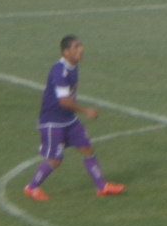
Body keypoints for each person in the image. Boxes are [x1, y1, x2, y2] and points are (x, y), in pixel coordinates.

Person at [23, 36, 124, 201]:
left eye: (80, 46)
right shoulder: (59, 71)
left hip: (68, 119)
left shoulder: (73, 66)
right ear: (66, 52)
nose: (81, 49)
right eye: (76, 47)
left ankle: (102, 187)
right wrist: (85, 111)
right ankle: (31, 187)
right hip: (52, 122)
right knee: (55, 160)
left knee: (87, 149)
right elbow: (64, 101)